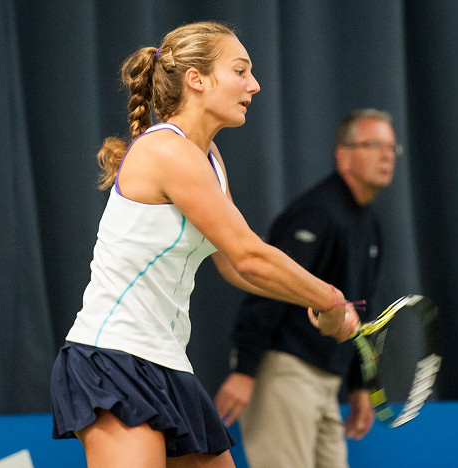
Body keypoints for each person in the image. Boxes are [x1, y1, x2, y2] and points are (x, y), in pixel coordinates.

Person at [49, 21, 359, 468]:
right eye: (240, 70)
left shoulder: (209, 159)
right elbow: (249, 256)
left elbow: (231, 265)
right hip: (112, 358)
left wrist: (316, 303)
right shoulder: (166, 152)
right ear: (197, 80)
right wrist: (328, 300)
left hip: (168, 364)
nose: (254, 84)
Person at [215, 109, 399, 468]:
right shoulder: (317, 212)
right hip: (284, 372)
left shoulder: (370, 224)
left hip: (328, 380)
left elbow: (361, 310)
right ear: (343, 154)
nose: (387, 155)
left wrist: (361, 384)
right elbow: (267, 288)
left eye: (392, 147)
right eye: (375, 145)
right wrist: (246, 370)